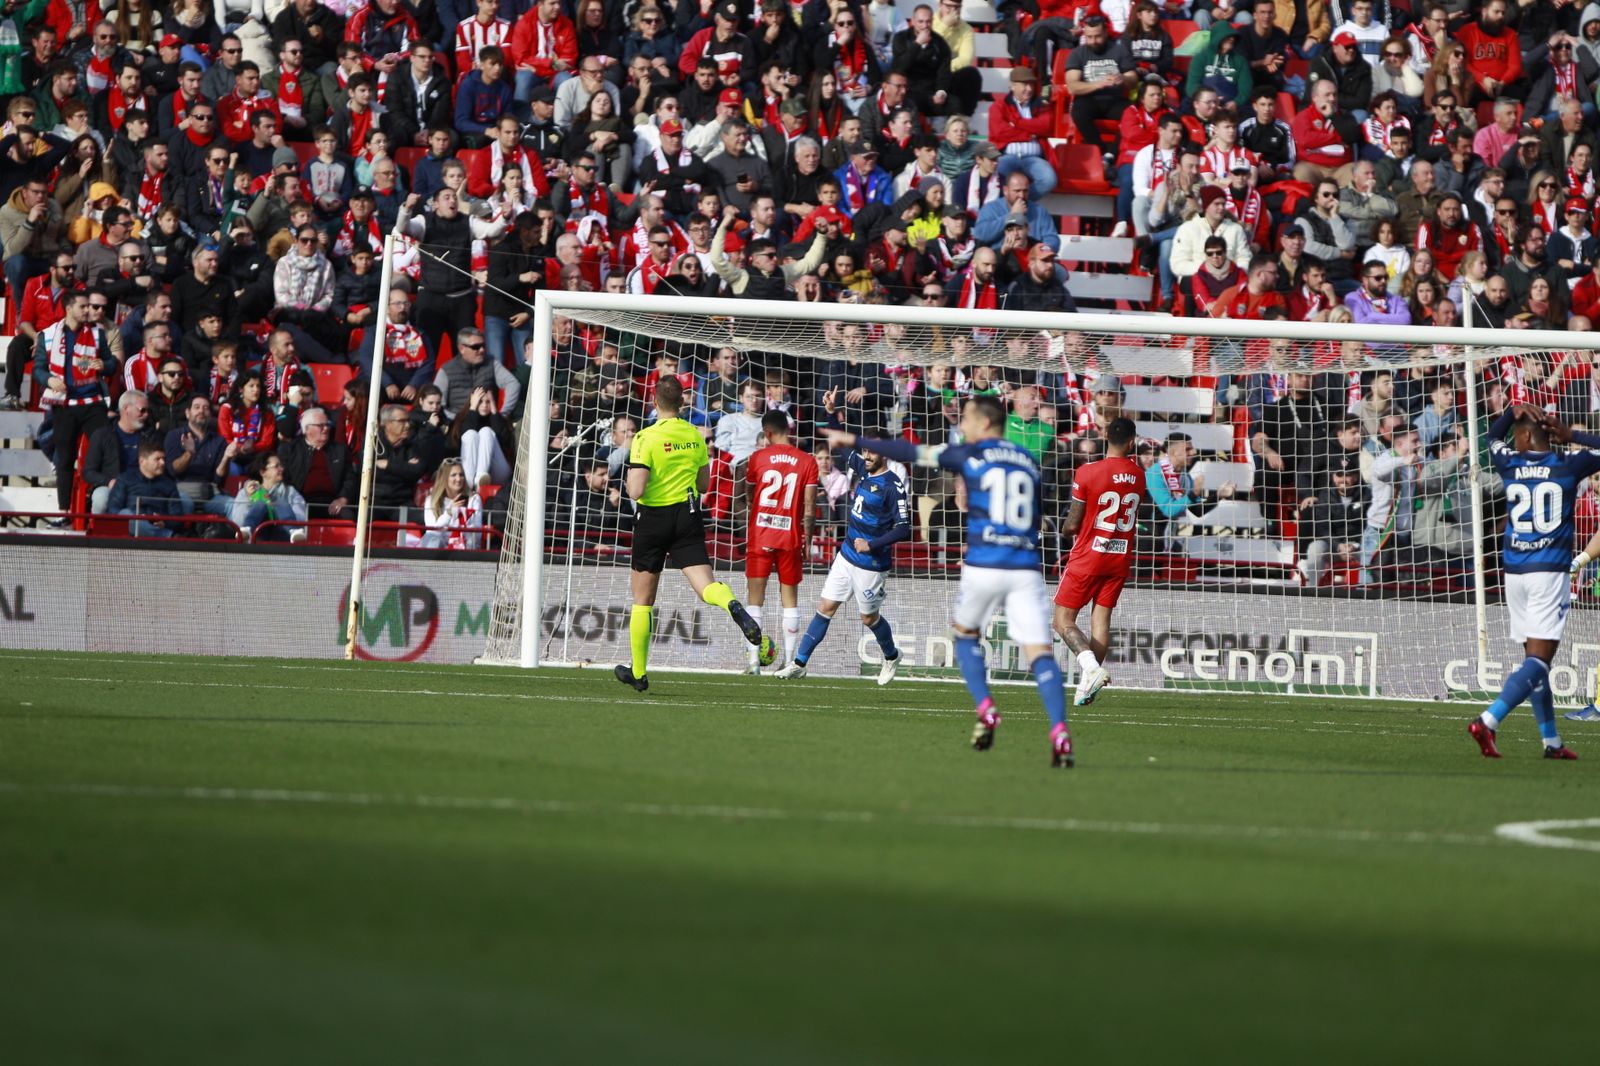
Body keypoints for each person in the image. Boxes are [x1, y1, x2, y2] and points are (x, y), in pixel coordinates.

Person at [827, 395, 1074, 768]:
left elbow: (909, 451)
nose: (961, 426)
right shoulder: (1030, 462)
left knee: (964, 634)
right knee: (1040, 652)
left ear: (986, 424)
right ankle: (1059, 732)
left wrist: (857, 441)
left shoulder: (968, 455)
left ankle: (987, 708)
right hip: (1025, 568)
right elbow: (1035, 515)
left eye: (968, 420)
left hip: (983, 563)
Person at [615, 377, 775, 692]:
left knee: (642, 599)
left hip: (652, 518)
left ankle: (639, 673)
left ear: (654, 401)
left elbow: (636, 489)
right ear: (682, 403)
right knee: (706, 586)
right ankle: (732, 605)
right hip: (687, 515)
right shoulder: (694, 435)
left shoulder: (645, 437)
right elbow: (704, 485)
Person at [1468, 406, 1598, 761]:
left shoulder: (1509, 461)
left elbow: (1492, 437)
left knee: (1535, 658)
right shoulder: (1570, 465)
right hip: (1549, 572)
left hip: (1514, 573)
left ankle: (1551, 742)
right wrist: (1574, 437)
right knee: (1539, 660)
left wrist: (1510, 413)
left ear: (1524, 437)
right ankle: (1488, 720)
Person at [775, 442, 910, 684]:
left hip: (871, 564)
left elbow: (903, 528)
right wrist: (830, 413)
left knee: (868, 618)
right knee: (825, 607)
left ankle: (891, 656)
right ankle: (799, 663)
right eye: (865, 451)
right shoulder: (864, 467)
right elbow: (843, 445)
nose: (866, 456)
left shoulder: (893, 487)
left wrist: (872, 544)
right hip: (846, 555)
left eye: (872, 451)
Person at [1051, 416, 1145, 706]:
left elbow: (1072, 523)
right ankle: (1085, 687)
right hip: (1119, 557)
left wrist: (1067, 530)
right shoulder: (1139, 475)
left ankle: (1091, 669)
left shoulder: (1088, 471)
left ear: (1105, 435)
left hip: (1089, 555)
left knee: (1062, 621)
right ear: (1131, 442)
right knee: (1101, 620)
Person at [741, 411, 820, 673]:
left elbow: (749, 496)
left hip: (761, 535)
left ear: (767, 433)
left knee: (755, 599)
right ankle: (788, 662)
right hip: (790, 537)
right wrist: (807, 539)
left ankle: (753, 662)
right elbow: (809, 507)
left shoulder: (757, 458)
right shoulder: (808, 461)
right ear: (788, 429)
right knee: (790, 600)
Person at [35, 290, 117, 510]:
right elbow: (38, 369)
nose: (88, 310)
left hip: (93, 404)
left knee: (107, 452)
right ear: (69, 308)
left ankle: (107, 503)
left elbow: (111, 363)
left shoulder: (98, 334)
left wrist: (104, 365)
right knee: (64, 459)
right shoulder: (48, 334)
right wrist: (49, 380)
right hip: (64, 406)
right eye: (83, 306)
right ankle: (64, 511)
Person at [230, 451, 308, 538]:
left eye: (281, 465)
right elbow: (238, 521)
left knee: (279, 500)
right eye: (276, 466)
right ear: (263, 472)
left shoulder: (290, 491)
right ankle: (247, 529)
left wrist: (275, 514)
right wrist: (249, 499)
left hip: (283, 535)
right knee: (261, 503)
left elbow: (301, 517)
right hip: (255, 538)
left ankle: (292, 530)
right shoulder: (246, 491)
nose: (281, 469)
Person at [422, 458, 486, 549]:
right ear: (444, 478)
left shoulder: (474, 499)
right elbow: (431, 533)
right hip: (439, 551)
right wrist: (448, 514)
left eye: (461, 475)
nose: (459, 479)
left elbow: (477, 535)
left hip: (465, 550)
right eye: (453, 475)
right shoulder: (431, 501)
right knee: (431, 539)